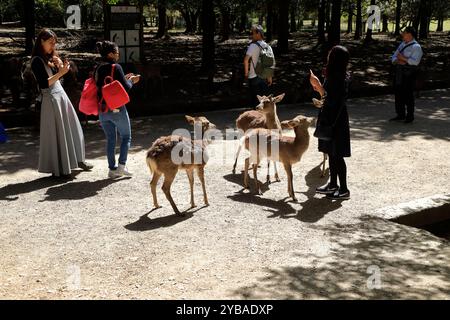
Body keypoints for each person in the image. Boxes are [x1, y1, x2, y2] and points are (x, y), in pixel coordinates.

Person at [31, 29, 93, 178]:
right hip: (51, 99)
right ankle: (60, 168)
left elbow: (61, 79)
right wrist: (60, 73)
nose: (53, 46)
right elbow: (44, 84)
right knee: (57, 134)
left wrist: (60, 66)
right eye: (50, 43)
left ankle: (78, 159)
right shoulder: (36, 61)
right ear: (41, 42)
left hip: (60, 96)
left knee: (73, 128)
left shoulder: (51, 57)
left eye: (54, 43)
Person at [310, 45, 351, 200]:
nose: (328, 54)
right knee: (331, 153)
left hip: (336, 120)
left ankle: (344, 189)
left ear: (335, 58)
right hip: (330, 117)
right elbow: (328, 96)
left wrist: (319, 87)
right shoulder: (334, 74)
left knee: (338, 154)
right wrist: (318, 85)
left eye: (331, 53)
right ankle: (333, 184)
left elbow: (332, 100)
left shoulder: (339, 77)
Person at [94, 41, 140, 178]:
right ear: (110, 54)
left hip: (102, 110)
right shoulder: (116, 67)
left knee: (110, 139)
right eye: (117, 52)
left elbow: (102, 85)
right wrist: (132, 80)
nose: (118, 55)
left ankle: (112, 169)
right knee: (126, 137)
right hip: (117, 109)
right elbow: (126, 88)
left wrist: (124, 79)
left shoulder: (97, 68)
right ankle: (121, 166)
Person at [390, 26, 423, 124]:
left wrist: (403, 59)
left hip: (409, 74)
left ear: (409, 34)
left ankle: (410, 116)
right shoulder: (402, 44)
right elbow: (394, 56)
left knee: (408, 95)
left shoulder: (416, 47)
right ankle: (400, 114)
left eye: (404, 33)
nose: (402, 34)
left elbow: (415, 62)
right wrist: (397, 60)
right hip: (399, 72)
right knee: (398, 94)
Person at [244, 25, 273, 105]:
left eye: (253, 33)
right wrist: (269, 77)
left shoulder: (252, 46)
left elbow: (246, 60)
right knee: (265, 103)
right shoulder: (268, 46)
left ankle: (256, 117)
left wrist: (246, 74)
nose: (252, 35)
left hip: (254, 77)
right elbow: (270, 63)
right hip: (264, 77)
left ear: (258, 34)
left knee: (256, 103)